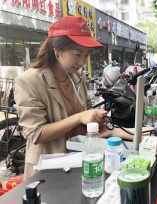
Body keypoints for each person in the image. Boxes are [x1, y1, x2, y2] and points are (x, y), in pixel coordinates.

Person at [14, 16, 109, 180]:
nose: (82, 62)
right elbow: (36, 133)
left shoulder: (77, 78)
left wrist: (94, 119)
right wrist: (79, 117)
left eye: (86, 55)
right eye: (77, 54)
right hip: (47, 169)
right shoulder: (29, 81)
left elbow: (85, 114)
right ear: (57, 52)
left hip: (79, 161)